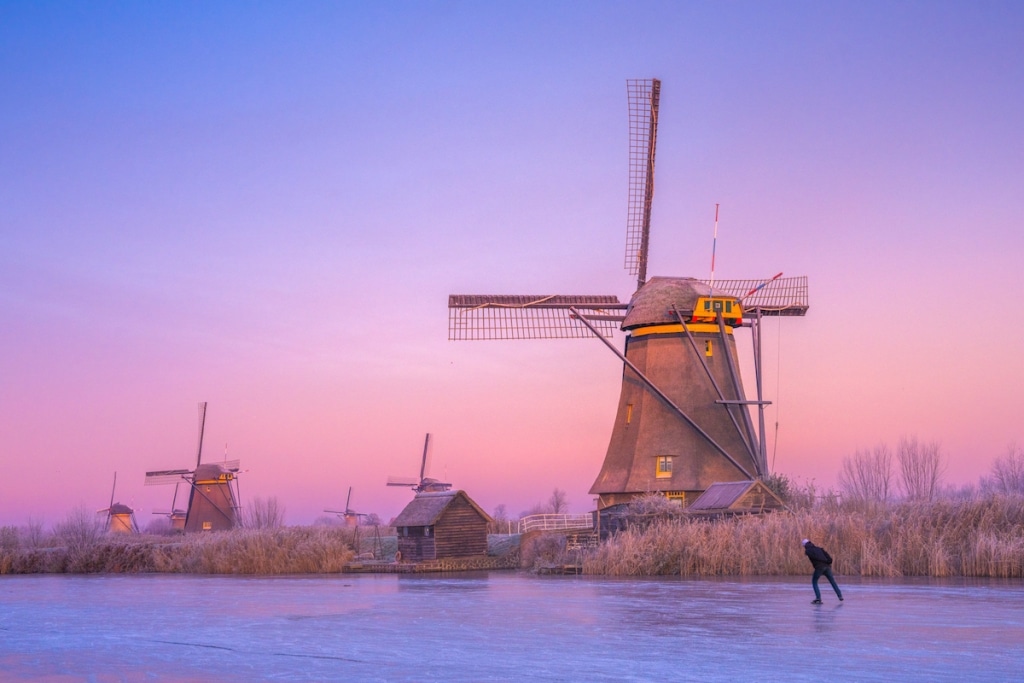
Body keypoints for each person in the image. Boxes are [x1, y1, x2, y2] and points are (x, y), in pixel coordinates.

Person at [802, 538, 843, 604]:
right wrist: (827, 562)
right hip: (827, 567)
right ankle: (840, 596)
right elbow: (829, 559)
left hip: (819, 568)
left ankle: (818, 598)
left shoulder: (808, 551)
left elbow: (815, 557)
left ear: (804, 545)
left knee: (814, 582)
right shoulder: (819, 549)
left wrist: (822, 562)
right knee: (832, 582)